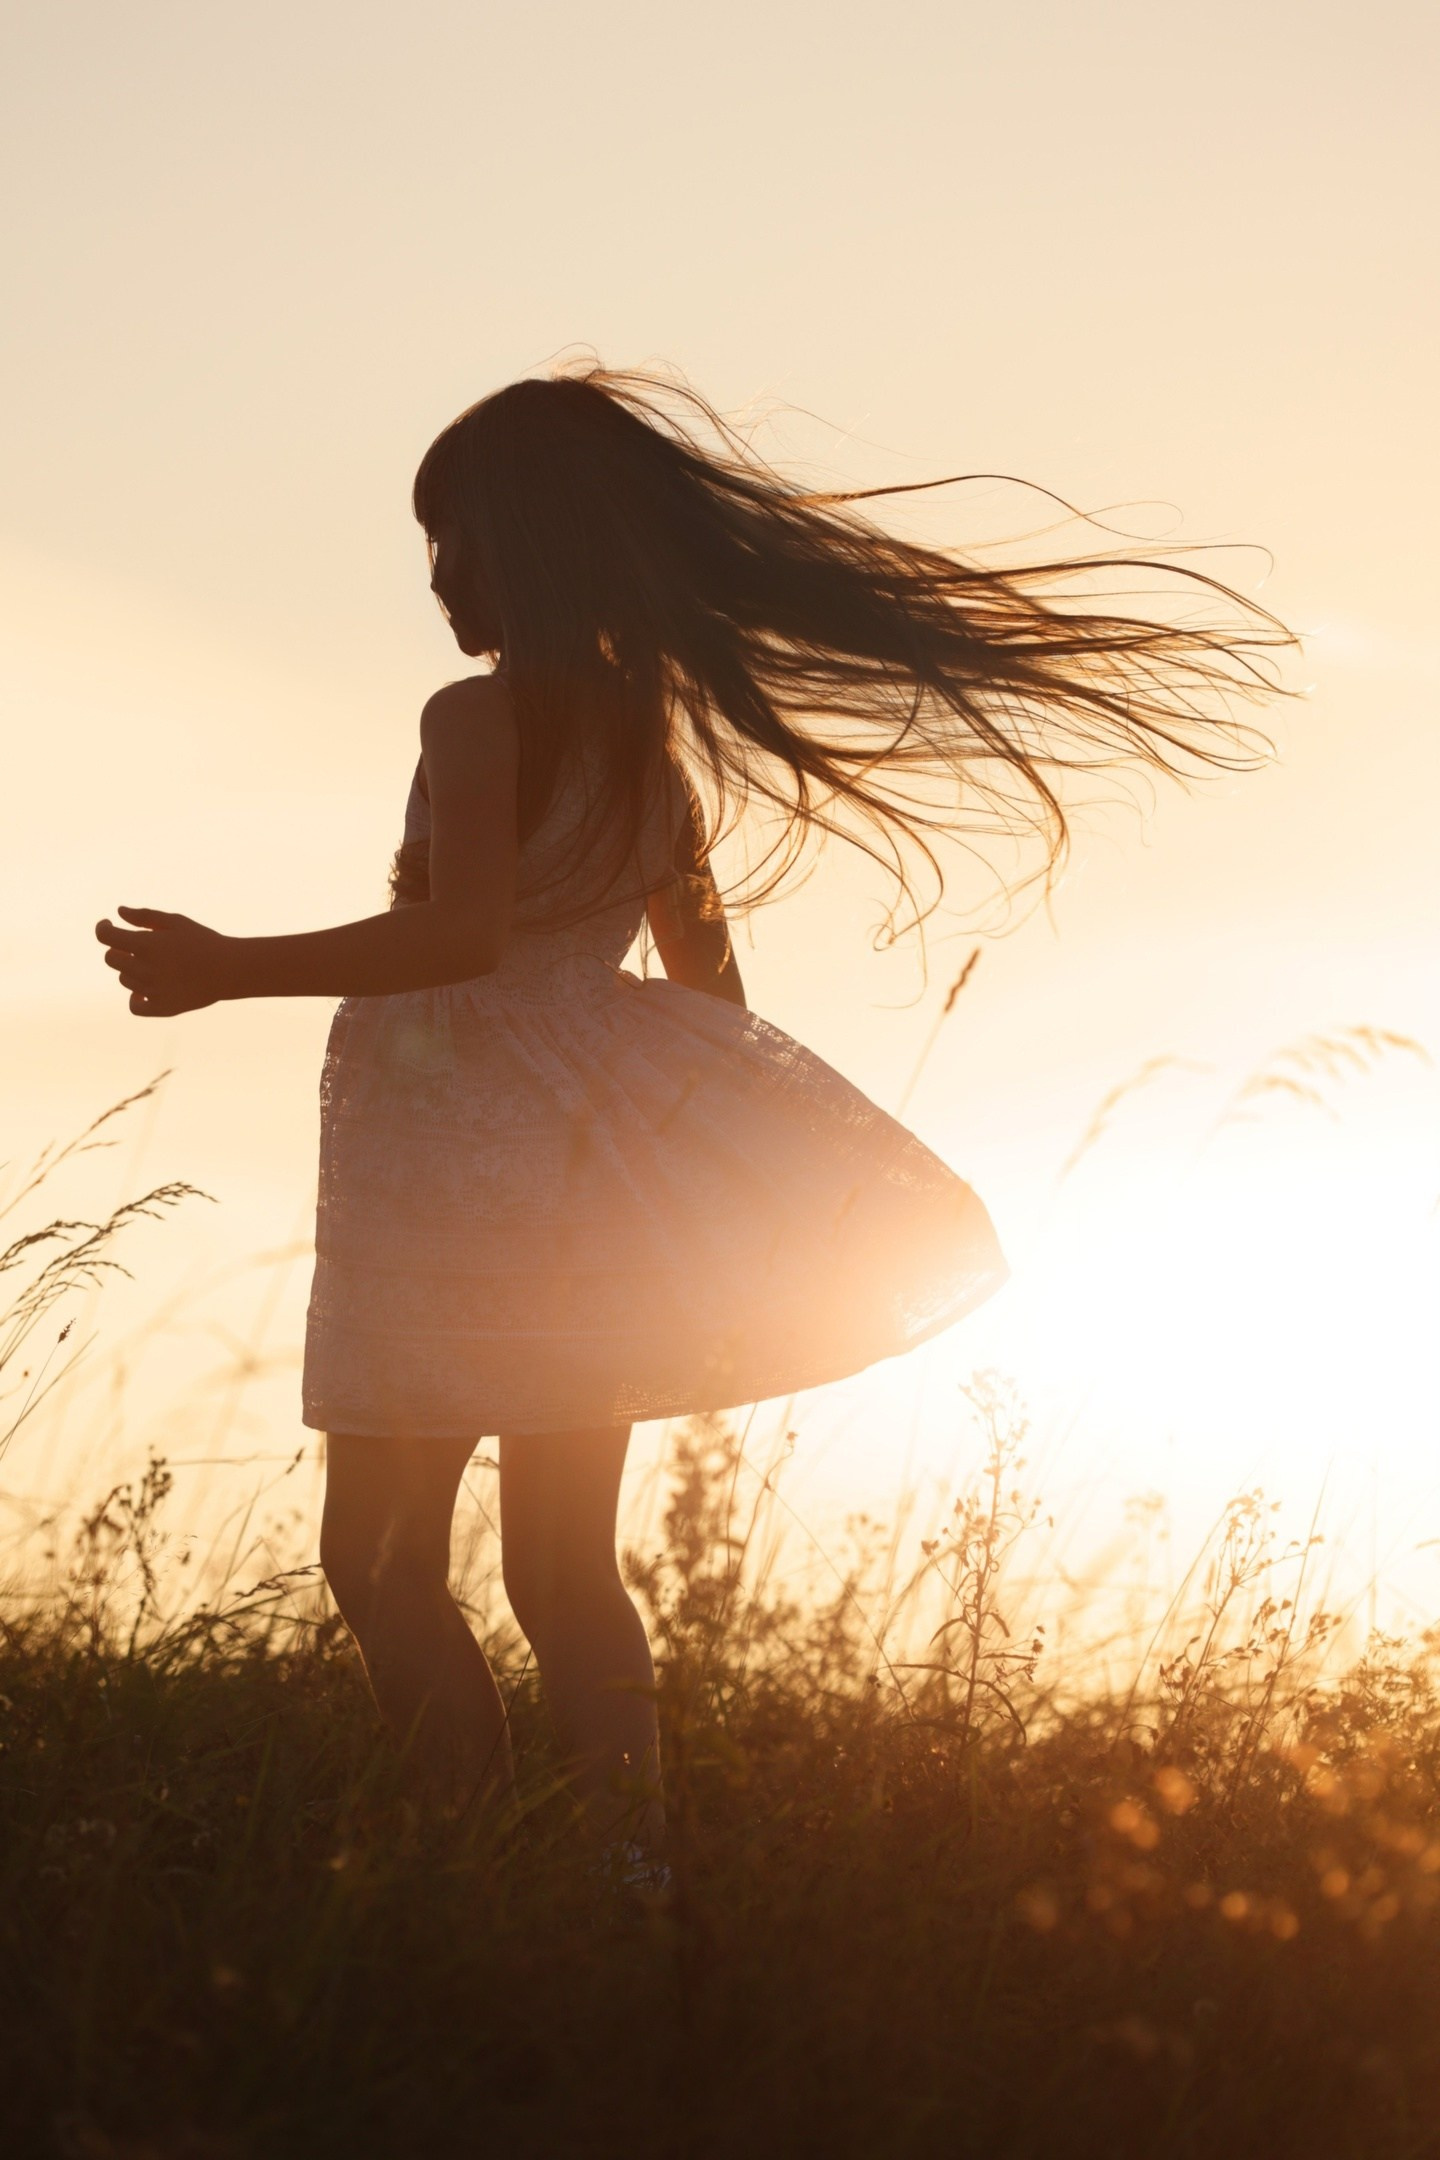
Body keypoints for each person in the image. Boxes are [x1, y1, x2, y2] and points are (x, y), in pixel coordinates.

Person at [95, 364, 1289, 1866]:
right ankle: (619, 1882)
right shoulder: (646, 742)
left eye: (452, 537)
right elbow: (712, 1003)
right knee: (562, 1569)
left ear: (521, 544)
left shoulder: (475, 722)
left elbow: (463, 936)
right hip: (576, 1184)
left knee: (378, 1553)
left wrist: (226, 969)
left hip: (453, 1171)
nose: (436, 573)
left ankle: (466, 1868)